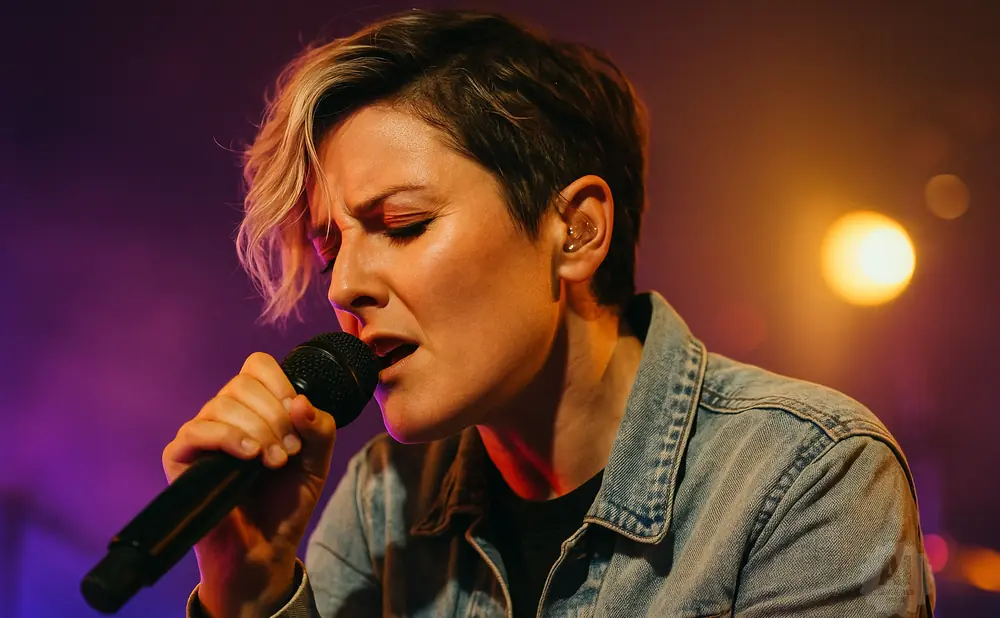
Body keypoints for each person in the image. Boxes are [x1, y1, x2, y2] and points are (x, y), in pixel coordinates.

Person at [163, 9, 935, 618]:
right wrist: (253, 596)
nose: (344, 286)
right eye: (334, 246)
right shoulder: (384, 499)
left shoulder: (803, 476)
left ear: (578, 232)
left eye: (402, 224)